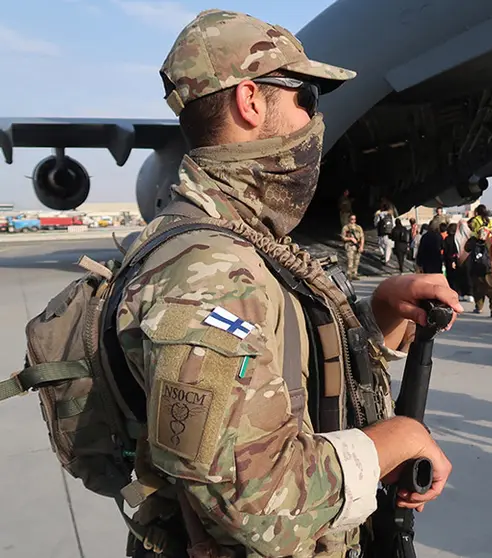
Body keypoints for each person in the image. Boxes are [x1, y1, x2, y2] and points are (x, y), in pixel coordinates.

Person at [116, 9, 460, 557]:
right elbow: (257, 505)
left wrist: (380, 314)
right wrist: (395, 441)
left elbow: (282, 374)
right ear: (250, 102)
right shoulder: (211, 274)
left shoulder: (245, 244)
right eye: (307, 99)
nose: (313, 122)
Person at [341, 213, 364, 280]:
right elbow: (343, 237)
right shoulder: (346, 227)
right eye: (352, 219)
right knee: (350, 261)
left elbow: (362, 237)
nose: (353, 220)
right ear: (349, 219)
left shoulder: (358, 227)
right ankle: (349, 274)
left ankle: (354, 274)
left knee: (357, 261)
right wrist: (350, 239)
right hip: (350, 246)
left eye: (354, 219)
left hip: (358, 245)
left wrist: (361, 246)